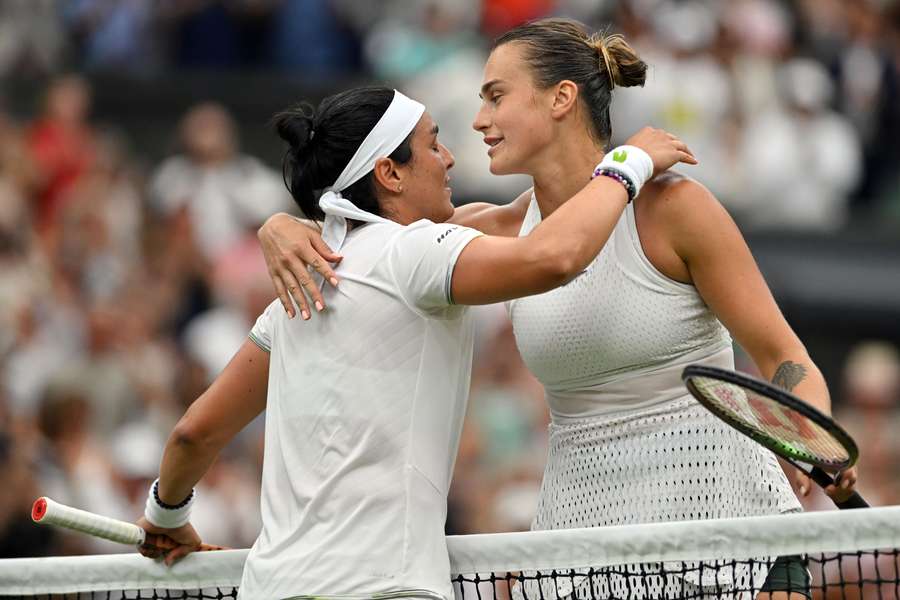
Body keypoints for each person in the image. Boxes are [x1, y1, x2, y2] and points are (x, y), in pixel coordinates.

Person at [257, 18, 860, 599]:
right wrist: (280, 225)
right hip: (581, 537)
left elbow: (786, 358)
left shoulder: (676, 209)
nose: (480, 120)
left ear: (560, 99)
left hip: (731, 525)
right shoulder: (492, 229)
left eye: (496, 97)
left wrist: (808, 434)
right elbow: (363, 235)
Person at [134, 84, 693, 600]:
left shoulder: (294, 293)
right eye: (433, 145)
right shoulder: (413, 254)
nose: (449, 158)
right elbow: (555, 256)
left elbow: (193, 434)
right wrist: (628, 163)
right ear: (389, 173)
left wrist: (164, 518)